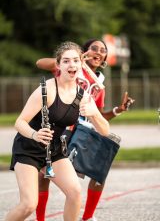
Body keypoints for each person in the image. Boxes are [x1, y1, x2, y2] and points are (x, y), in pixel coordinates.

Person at [5, 41, 110, 221]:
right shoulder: (47, 90)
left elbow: (105, 131)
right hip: (29, 147)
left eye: (76, 61)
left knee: (75, 193)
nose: (72, 65)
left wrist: (95, 114)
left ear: (81, 64)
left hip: (54, 150)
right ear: (59, 65)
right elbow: (20, 122)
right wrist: (34, 134)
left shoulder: (83, 95)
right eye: (67, 61)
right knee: (29, 204)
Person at [36, 39, 134, 221]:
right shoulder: (71, 67)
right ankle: (40, 218)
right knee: (44, 175)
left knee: (100, 169)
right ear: (85, 52)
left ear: (105, 57)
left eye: (102, 50)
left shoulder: (99, 83)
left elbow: (97, 117)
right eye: (94, 48)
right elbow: (40, 63)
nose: (98, 52)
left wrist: (118, 110)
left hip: (81, 131)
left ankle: (87, 217)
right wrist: (75, 59)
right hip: (60, 126)